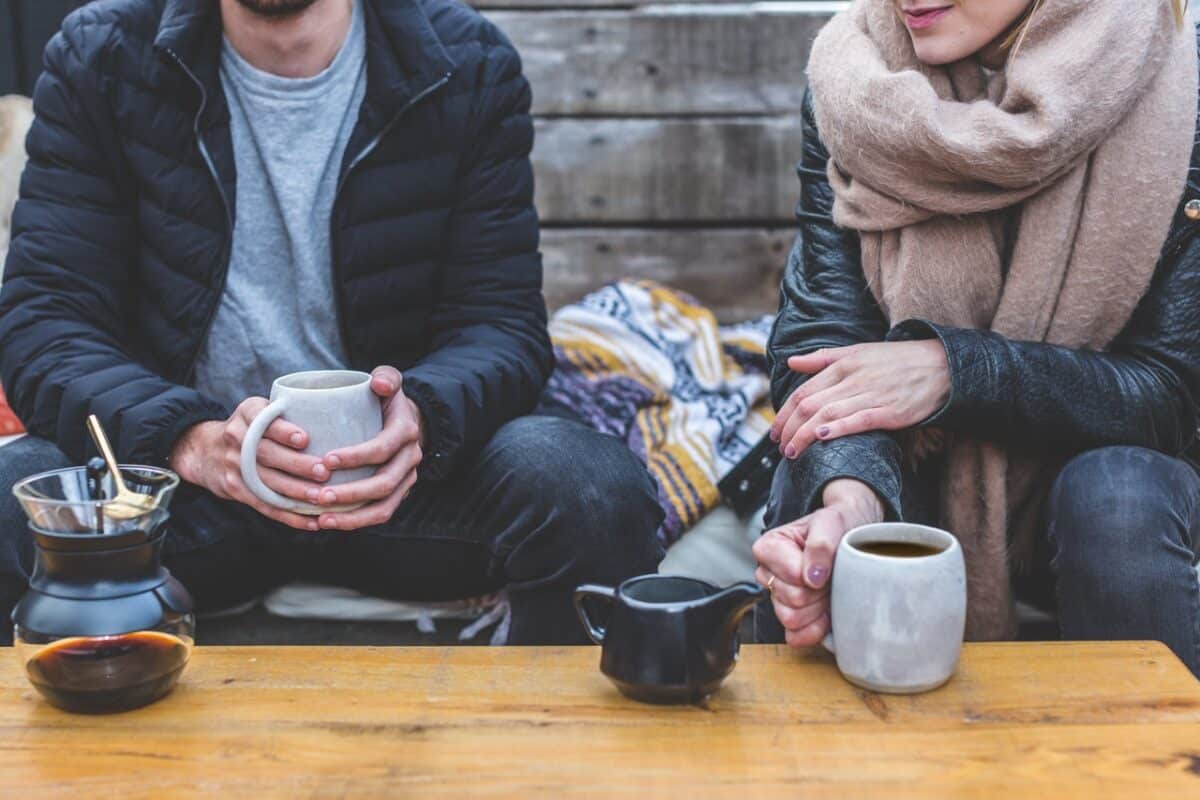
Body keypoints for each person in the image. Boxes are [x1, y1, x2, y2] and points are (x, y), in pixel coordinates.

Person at [0, 0, 665, 645]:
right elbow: (46, 324)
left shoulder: (465, 60)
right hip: (182, 500)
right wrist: (189, 442)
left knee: (587, 485)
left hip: (399, 493)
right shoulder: (102, 55)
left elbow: (502, 325)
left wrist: (425, 420)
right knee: (13, 485)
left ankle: (552, 751)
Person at [753, 0, 1200, 675]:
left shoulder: (1181, 85)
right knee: (811, 480)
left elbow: (1170, 393)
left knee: (1119, 497)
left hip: (1092, 492)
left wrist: (954, 373)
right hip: (917, 475)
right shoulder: (857, 80)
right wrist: (851, 497)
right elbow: (824, 345)